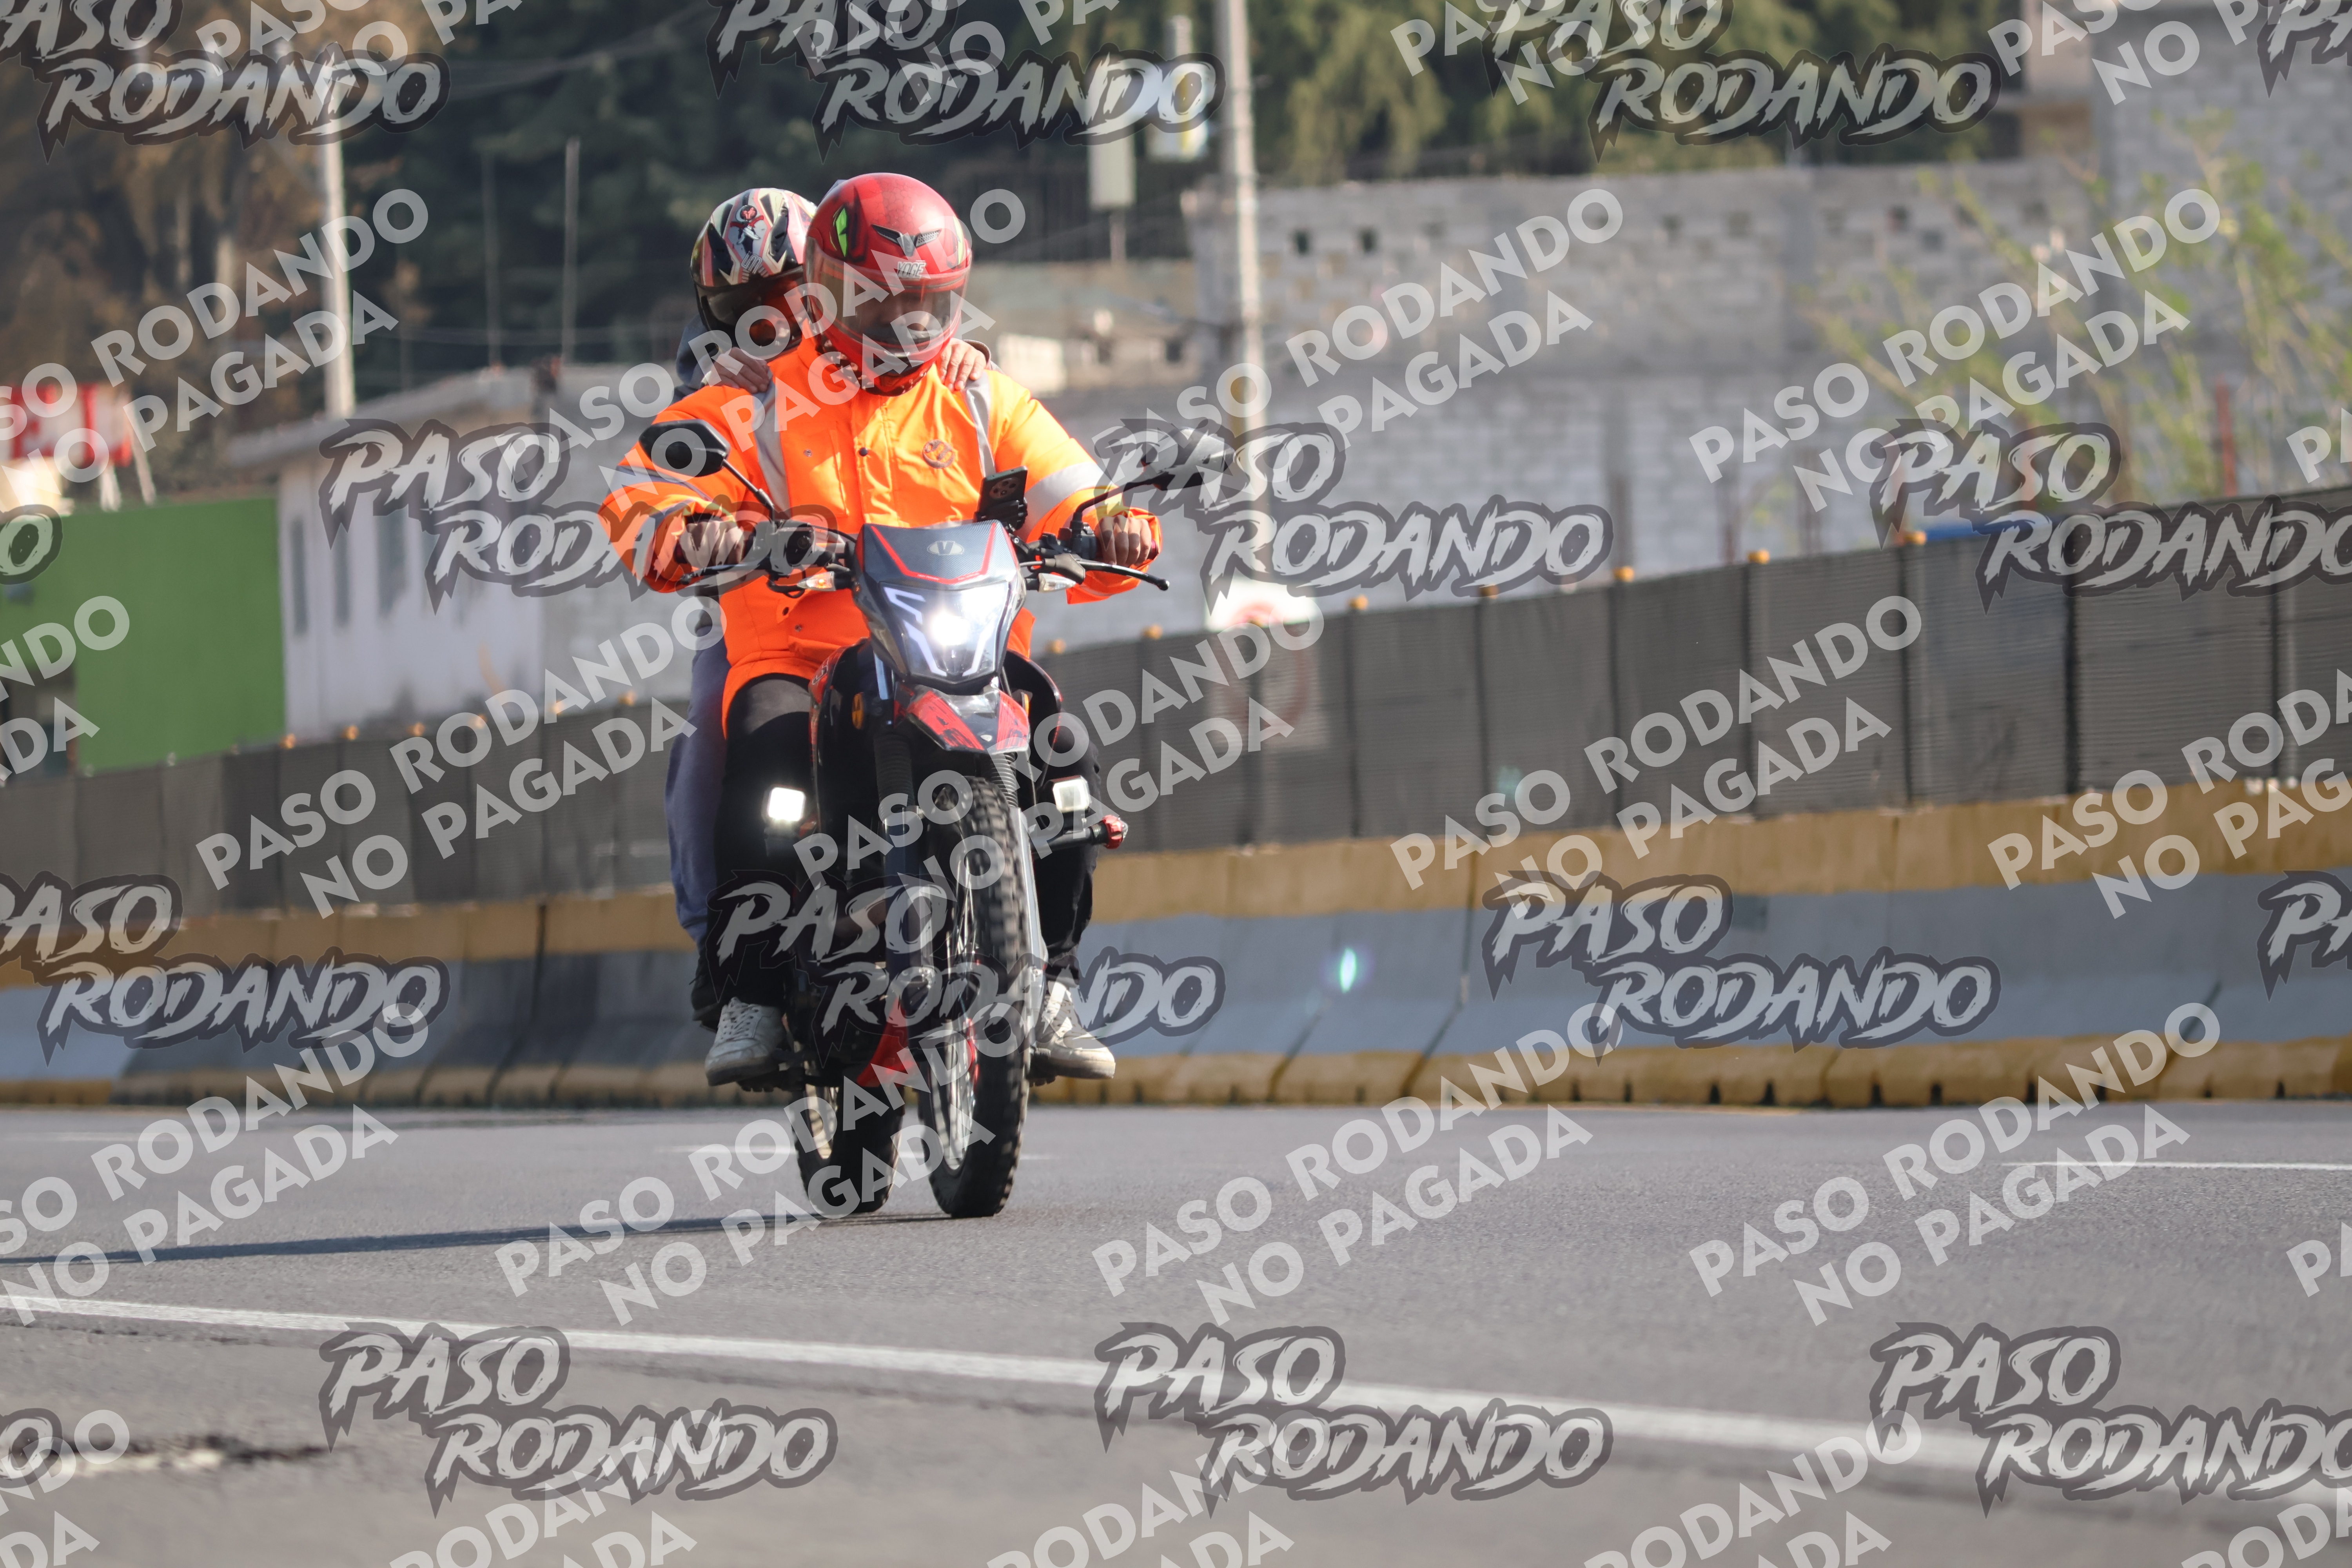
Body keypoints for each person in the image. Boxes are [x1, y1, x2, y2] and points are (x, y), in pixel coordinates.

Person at [603, 172, 1158, 1088]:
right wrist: (686, 527)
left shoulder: (979, 393)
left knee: (1061, 747)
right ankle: (752, 993)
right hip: (805, 656)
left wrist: (1112, 524)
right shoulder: (760, 392)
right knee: (763, 756)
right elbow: (644, 484)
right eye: (880, 304)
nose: (904, 325)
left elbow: (1071, 483)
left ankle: (1055, 982)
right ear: (828, 294)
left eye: (924, 305)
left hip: (964, 660)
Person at [661, 187, 988, 1028]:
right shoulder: (716, 378)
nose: (768, 320)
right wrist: (698, 531)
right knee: (714, 727)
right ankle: (722, 948)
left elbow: (965, 405)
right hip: (763, 611)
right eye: (743, 306)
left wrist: (961, 360)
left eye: (786, 295)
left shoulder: (905, 349)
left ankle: (1014, 918)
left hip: (903, 599)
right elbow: (667, 477)